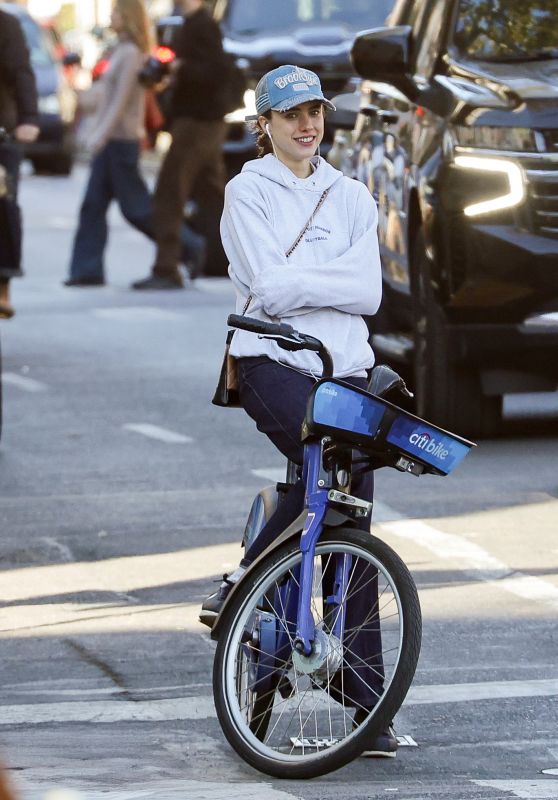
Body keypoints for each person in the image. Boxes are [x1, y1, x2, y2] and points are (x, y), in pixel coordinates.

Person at [201, 65, 397, 756]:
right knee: (326, 476)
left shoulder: (350, 197)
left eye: (314, 111)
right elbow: (270, 294)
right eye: (290, 116)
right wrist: (327, 283)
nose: (306, 125)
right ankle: (250, 611)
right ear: (266, 125)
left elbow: (369, 294)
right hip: (270, 362)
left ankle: (366, 699)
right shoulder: (246, 191)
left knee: (354, 515)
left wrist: (307, 285)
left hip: (346, 368)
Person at [64, 0, 204, 288]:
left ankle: (188, 245)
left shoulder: (131, 53)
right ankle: (86, 271)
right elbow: (104, 96)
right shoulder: (119, 49)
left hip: (121, 139)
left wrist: (101, 134)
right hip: (112, 138)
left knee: (136, 208)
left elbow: (122, 99)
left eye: (115, 12)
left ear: (126, 16)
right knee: (92, 205)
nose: (111, 16)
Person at [131, 0, 227, 289]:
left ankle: (166, 267)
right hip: (199, 121)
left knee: (170, 194)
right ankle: (234, 261)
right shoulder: (188, 24)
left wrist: (180, 68)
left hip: (197, 122)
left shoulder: (203, 25)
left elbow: (214, 71)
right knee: (216, 197)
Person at [0, 8, 39, 319]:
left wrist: (28, 119)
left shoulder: (6, 24)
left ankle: (3, 283)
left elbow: (22, 73)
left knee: (4, 203)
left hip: (2, 131)